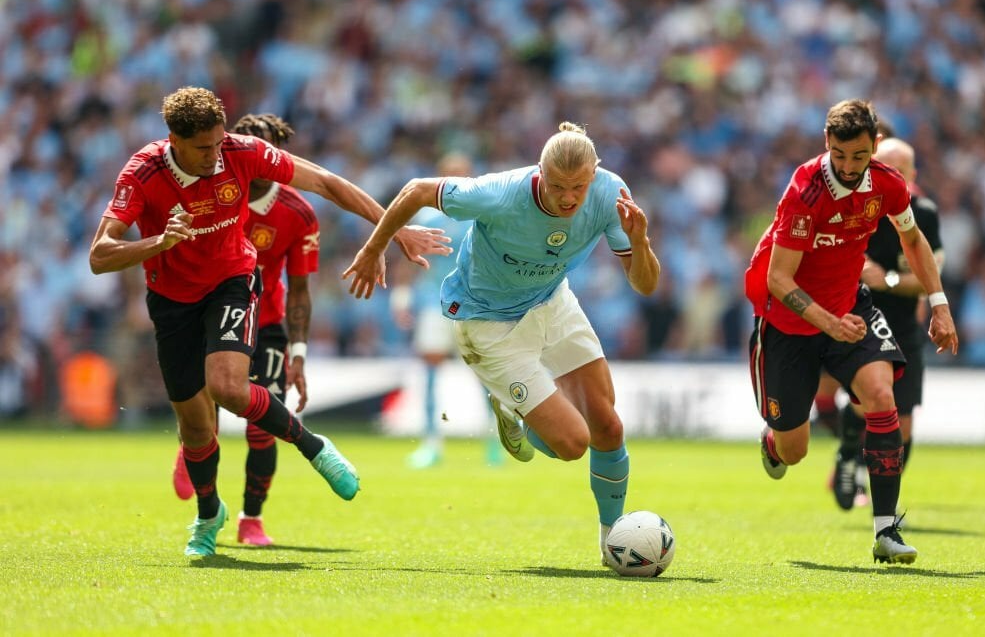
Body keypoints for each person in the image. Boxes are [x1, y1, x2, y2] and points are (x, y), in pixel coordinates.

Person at [89, 87, 449, 558]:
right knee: (196, 429)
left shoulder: (242, 152)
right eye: (203, 148)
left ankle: (313, 447)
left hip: (232, 280)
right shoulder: (143, 172)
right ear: (173, 140)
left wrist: (393, 230)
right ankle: (208, 513)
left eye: (219, 143)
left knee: (229, 387)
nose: (216, 156)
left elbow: (326, 182)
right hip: (171, 299)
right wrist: (157, 242)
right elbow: (99, 256)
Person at [342, 122, 660, 564]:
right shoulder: (500, 192)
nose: (569, 198)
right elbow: (416, 190)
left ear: (595, 176)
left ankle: (614, 543)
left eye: (579, 188)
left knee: (608, 427)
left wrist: (640, 242)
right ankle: (509, 409)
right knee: (572, 444)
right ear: (539, 174)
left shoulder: (611, 194)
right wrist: (374, 248)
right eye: (558, 187)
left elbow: (645, 285)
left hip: (551, 302)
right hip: (487, 323)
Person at [745, 99, 958, 564]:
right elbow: (779, 280)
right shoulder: (804, 191)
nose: (847, 166)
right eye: (839, 155)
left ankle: (886, 530)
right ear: (827, 144)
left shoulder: (886, 183)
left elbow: (914, 239)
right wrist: (828, 323)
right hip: (789, 325)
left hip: (849, 308)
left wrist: (939, 304)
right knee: (794, 450)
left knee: (882, 397)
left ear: (874, 148)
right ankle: (773, 441)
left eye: (859, 157)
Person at [170, 113, 323, 546]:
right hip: (210, 311)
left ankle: (250, 519)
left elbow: (299, 290)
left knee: (262, 427)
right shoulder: (211, 189)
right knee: (206, 413)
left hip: (268, 322)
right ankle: (195, 458)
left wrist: (298, 354)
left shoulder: (298, 212)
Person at [829, 136, 945, 512]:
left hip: (905, 326)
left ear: (913, 174)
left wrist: (889, 280)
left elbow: (931, 274)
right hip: (861, 319)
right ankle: (849, 459)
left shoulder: (924, 214)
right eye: (887, 167)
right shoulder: (859, 207)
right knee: (870, 402)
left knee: (905, 423)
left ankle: (874, 485)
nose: (893, 175)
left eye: (901, 169)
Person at [389, 152, 503, 469]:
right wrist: (401, 299)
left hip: (475, 305)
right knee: (430, 371)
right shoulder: (426, 217)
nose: (455, 180)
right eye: (449, 174)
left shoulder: (483, 216)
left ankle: (496, 441)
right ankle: (431, 442)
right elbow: (406, 261)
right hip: (433, 302)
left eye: (461, 174)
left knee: (485, 376)